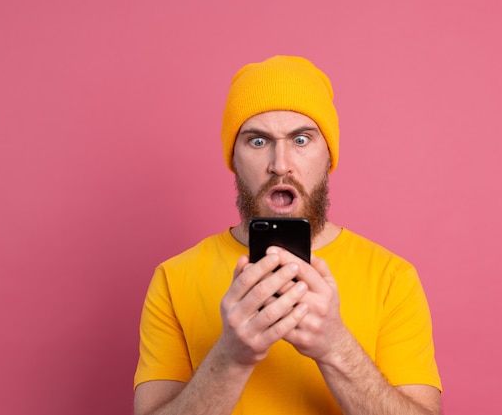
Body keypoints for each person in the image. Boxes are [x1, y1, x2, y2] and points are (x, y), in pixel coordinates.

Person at [133, 55, 442, 415]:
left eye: (300, 138)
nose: (281, 164)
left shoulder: (393, 278)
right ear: (233, 157)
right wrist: (231, 358)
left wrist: (335, 347)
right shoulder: (173, 278)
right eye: (258, 141)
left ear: (329, 154)